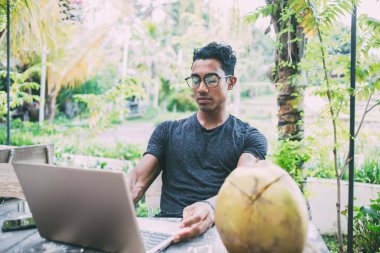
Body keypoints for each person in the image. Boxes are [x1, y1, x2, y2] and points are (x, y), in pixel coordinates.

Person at [128, 41, 267, 243]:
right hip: (168, 233)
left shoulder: (250, 138)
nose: (201, 88)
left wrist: (210, 207)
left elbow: (241, 187)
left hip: (221, 235)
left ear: (230, 82)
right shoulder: (167, 132)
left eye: (211, 80)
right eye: (195, 80)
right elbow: (135, 185)